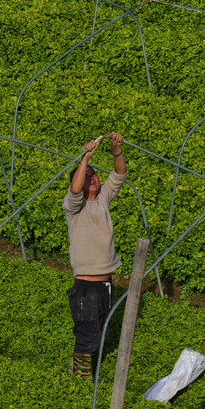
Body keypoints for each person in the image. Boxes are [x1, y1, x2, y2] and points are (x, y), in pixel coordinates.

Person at [62, 131, 126, 378]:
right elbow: (75, 190)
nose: (92, 178)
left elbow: (119, 174)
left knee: (101, 333)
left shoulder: (103, 200)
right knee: (87, 334)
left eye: (94, 174)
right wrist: (85, 158)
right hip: (85, 287)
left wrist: (115, 149)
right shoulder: (73, 207)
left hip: (106, 285)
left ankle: (77, 364)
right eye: (86, 176)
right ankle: (80, 376)